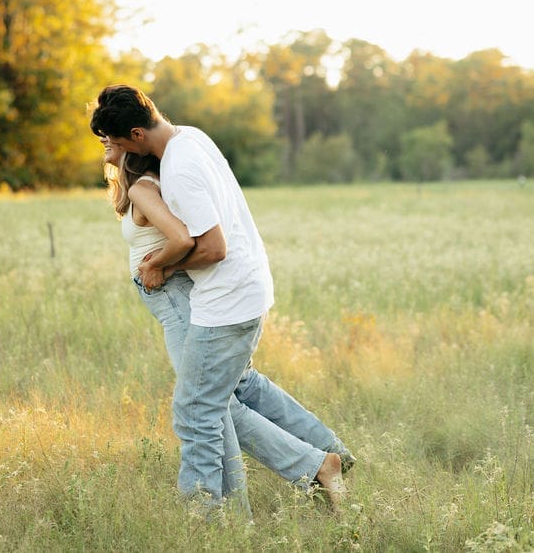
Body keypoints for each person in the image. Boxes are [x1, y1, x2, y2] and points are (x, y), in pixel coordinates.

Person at [90, 84, 355, 518]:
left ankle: (216, 518)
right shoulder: (191, 137)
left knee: (199, 409)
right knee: (230, 393)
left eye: (115, 141)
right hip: (236, 293)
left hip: (224, 299)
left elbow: (211, 247)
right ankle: (321, 460)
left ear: (136, 136)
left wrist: (162, 267)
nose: (109, 148)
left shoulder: (176, 169)